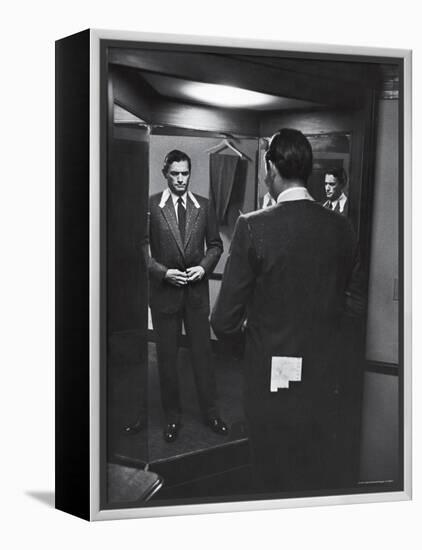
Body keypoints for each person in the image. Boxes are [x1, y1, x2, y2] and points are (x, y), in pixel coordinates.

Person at [211, 129, 365, 492]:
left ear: (271, 168)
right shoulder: (342, 228)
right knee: (314, 479)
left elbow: (223, 321)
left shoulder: (253, 226)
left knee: (269, 480)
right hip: (325, 383)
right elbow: (356, 306)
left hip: (269, 386)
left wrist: (256, 352)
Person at [147, 149, 228, 443]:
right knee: (167, 358)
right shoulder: (152, 206)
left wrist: (204, 268)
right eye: (175, 174)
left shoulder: (203, 206)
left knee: (202, 356)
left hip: (195, 294)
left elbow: (216, 245)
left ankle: (211, 413)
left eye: (185, 174)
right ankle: (172, 417)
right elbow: (141, 249)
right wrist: (161, 272)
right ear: (165, 174)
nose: (181, 179)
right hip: (164, 294)